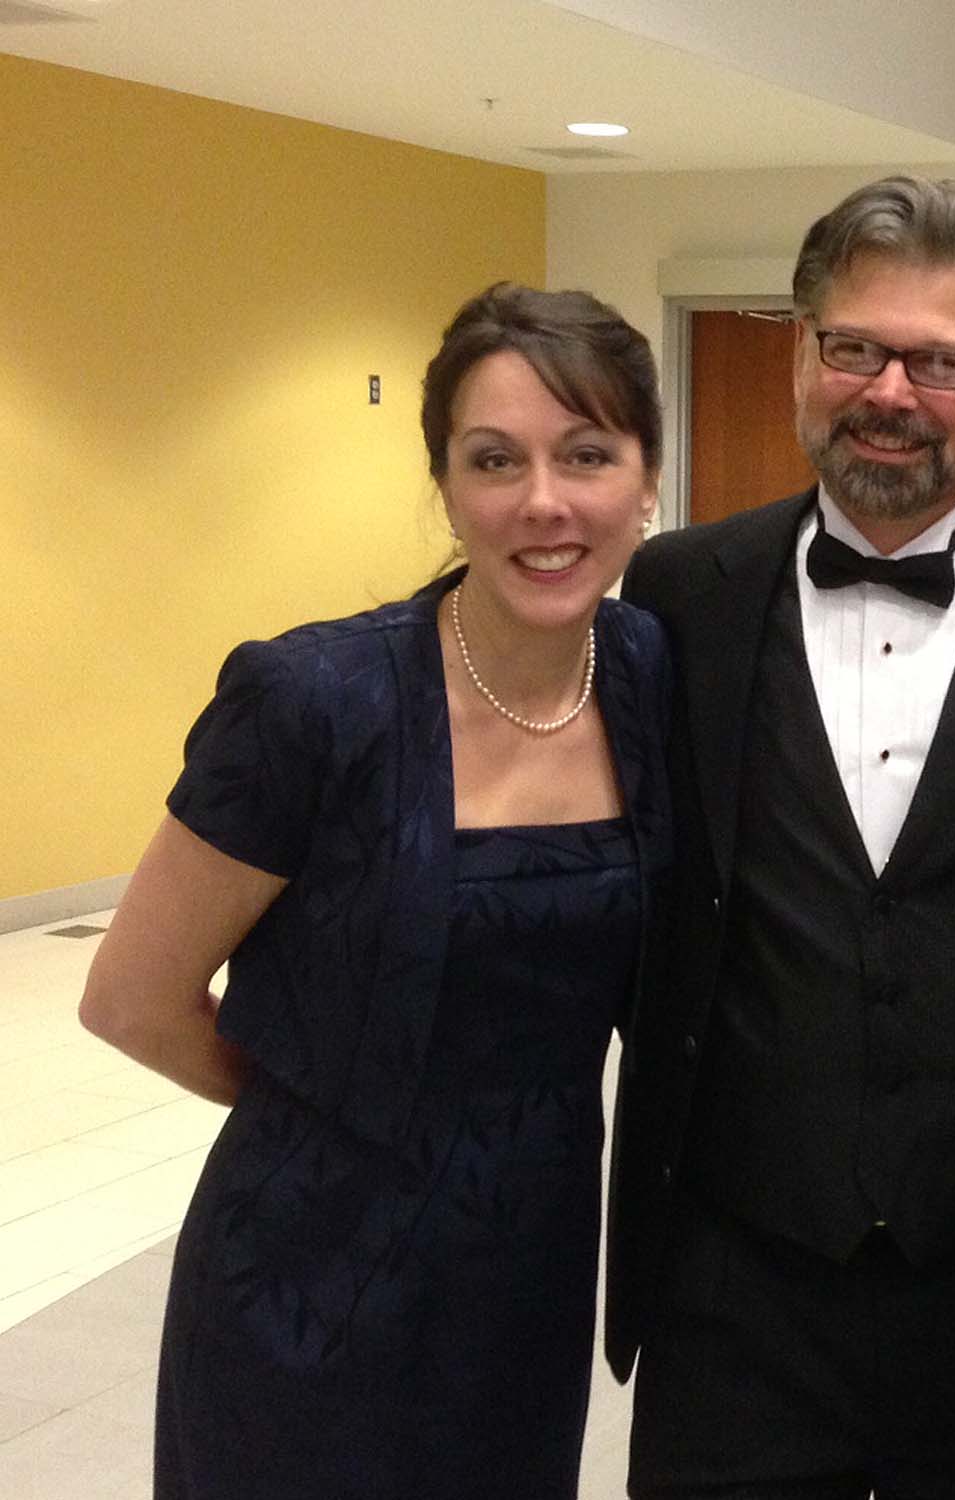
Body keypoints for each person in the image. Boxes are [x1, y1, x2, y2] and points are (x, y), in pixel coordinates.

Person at [77, 281, 673, 1497]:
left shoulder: (650, 678)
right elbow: (131, 997)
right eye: (495, 459)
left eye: (588, 454)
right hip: (308, 1281)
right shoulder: (314, 702)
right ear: (446, 486)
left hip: (528, 1278)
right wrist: (326, 1111)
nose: (544, 502)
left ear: (646, 481)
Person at [610, 176, 955, 1499]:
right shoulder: (676, 593)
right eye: (855, 347)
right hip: (735, 1291)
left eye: (940, 361)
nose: (890, 391)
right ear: (801, 352)